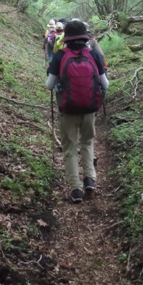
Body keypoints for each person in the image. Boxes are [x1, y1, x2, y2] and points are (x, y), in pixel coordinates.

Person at [46, 19, 109, 203]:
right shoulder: (94, 55)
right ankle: (90, 179)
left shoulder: (59, 56)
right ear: (85, 35)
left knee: (70, 148)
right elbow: (106, 84)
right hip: (89, 109)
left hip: (67, 109)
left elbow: (49, 85)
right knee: (87, 143)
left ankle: (75, 189)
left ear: (66, 36)